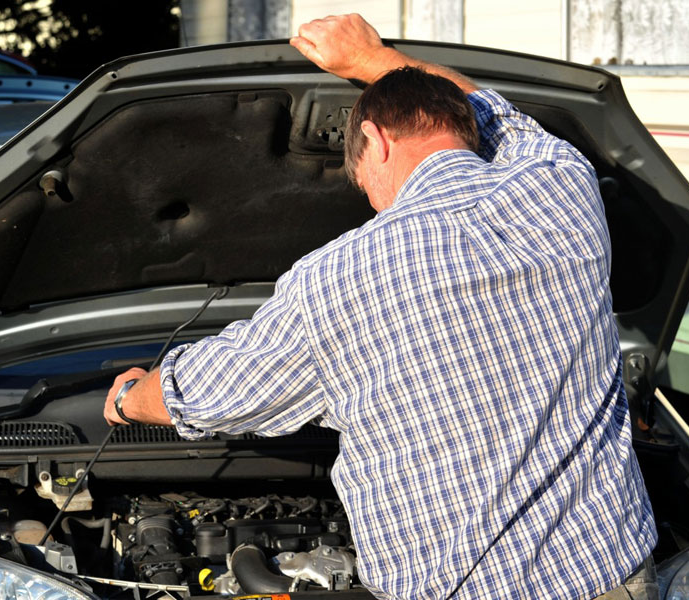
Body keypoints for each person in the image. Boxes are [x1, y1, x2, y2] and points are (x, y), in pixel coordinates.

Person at [104, 13, 657, 599]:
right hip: (615, 576)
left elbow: (213, 391)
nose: (370, 198)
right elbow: (493, 112)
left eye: (361, 176)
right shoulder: (560, 183)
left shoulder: (337, 278)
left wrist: (128, 398)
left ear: (377, 138)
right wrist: (372, 59)